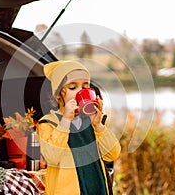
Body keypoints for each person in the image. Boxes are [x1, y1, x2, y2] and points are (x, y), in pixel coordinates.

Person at [37, 60, 121, 195]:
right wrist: (65, 120)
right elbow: (52, 157)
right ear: (58, 95)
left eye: (85, 87)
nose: (80, 92)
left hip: (98, 189)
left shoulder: (90, 120)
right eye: (72, 87)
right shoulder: (48, 123)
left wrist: (98, 126)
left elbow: (113, 154)